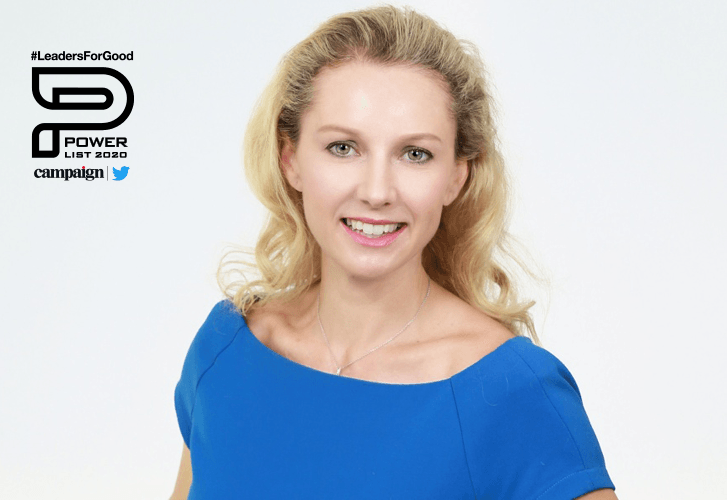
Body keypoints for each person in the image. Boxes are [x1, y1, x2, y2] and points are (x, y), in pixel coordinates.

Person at [170, 6, 616, 499]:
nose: (377, 191)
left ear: (457, 176)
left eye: (415, 154)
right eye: (343, 147)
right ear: (290, 159)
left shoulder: (512, 392)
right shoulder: (227, 349)